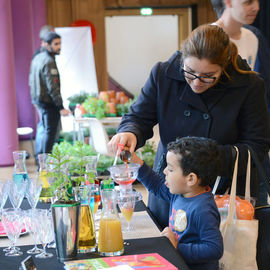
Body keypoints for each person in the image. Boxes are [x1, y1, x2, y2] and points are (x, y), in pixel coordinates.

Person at [108, 24, 270, 229]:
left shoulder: (248, 85)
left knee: (217, 255)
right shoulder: (163, 74)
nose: (196, 83)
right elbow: (138, 116)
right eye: (190, 72)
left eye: (208, 76)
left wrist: (202, 159)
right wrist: (129, 131)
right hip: (169, 183)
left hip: (225, 193)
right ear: (182, 59)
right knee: (167, 251)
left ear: (224, 67)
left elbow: (257, 147)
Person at [131, 136, 223, 270]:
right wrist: (135, 162)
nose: (164, 171)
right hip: (177, 262)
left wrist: (176, 246)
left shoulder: (203, 209)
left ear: (191, 179)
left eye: (170, 169)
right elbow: (156, 185)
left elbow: (214, 249)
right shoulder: (181, 194)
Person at [211, 0, 270, 205]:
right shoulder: (209, 38)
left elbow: (263, 92)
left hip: (252, 142)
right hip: (219, 144)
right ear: (227, 2)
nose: (255, 7)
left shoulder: (254, 36)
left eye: (256, 1)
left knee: (256, 210)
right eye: (247, 2)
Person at [29, 32, 70, 162]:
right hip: (48, 103)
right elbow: (52, 87)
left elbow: (30, 79)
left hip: (39, 101)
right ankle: (45, 164)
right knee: (50, 132)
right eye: (56, 44)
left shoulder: (38, 57)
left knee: (44, 129)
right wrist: (61, 107)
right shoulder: (49, 61)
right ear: (47, 45)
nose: (59, 47)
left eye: (60, 43)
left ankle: (40, 160)